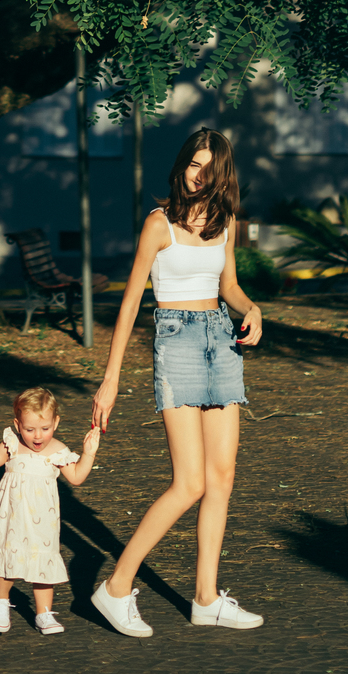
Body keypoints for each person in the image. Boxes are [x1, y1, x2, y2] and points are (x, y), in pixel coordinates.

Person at [91, 128, 264, 637]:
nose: (198, 174)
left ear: (221, 174)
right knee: (189, 481)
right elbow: (128, 303)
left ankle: (206, 597)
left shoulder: (225, 222)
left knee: (222, 477)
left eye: (208, 167)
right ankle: (116, 587)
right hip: (177, 342)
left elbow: (226, 284)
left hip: (221, 340)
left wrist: (251, 308)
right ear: (182, 165)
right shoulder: (158, 224)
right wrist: (111, 377)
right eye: (193, 163)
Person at [0, 384, 100, 636]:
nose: (37, 436)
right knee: (7, 556)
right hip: (11, 514)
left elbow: (76, 477)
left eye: (44, 429)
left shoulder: (57, 450)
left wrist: (88, 454)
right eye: (29, 429)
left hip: (43, 519)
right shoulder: (12, 443)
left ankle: (43, 612)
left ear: (55, 423)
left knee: (43, 561)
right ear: (17, 424)